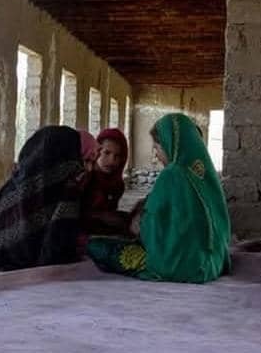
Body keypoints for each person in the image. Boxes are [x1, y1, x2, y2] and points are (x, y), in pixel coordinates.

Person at [87, 113, 231, 283]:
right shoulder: (206, 175)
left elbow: (151, 227)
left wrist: (139, 224)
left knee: (96, 246)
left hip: (179, 265)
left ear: (170, 145)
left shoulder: (171, 174)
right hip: (212, 263)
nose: (156, 155)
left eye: (157, 148)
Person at [0, 126, 94, 271]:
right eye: (84, 160)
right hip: (31, 261)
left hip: (3, 254)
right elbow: (58, 250)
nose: (87, 168)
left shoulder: (15, 186)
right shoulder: (66, 192)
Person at [83, 127, 128, 213]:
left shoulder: (117, 185)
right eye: (107, 153)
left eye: (117, 156)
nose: (112, 161)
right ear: (97, 151)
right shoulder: (84, 179)